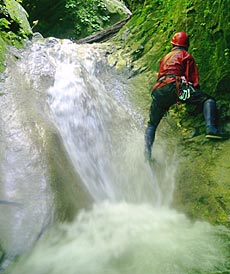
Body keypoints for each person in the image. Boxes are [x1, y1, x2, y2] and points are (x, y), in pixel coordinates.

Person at [144, 31, 223, 161]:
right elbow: (193, 80)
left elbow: (160, 76)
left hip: (159, 90)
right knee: (207, 100)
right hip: (175, 88)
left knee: (152, 124)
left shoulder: (165, 57)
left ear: (173, 44)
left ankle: (147, 154)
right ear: (186, 45)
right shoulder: (185, 55)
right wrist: (195, 96)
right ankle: (211, 129)